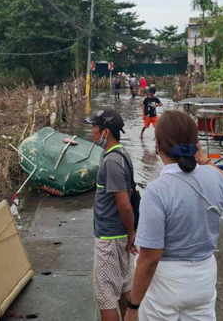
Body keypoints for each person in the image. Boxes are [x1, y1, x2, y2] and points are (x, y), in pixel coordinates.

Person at [124, 110, 223, 321]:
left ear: (158, 146)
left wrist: (133, 306)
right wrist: (206, 162)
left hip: (166, 283)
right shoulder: (212, 177)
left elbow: (150, 258)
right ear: (196, 145)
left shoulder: (157, 191)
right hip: (204, 278)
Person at [84, 109, 137, 321]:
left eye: (94, 127)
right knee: (123, 289)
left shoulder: (111, 162)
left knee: (106, 297)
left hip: (109, 239)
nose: (91, 132)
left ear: (106, 132)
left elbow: (124, 205)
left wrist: (131, 233)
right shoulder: (122, 153)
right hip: (118, 236)